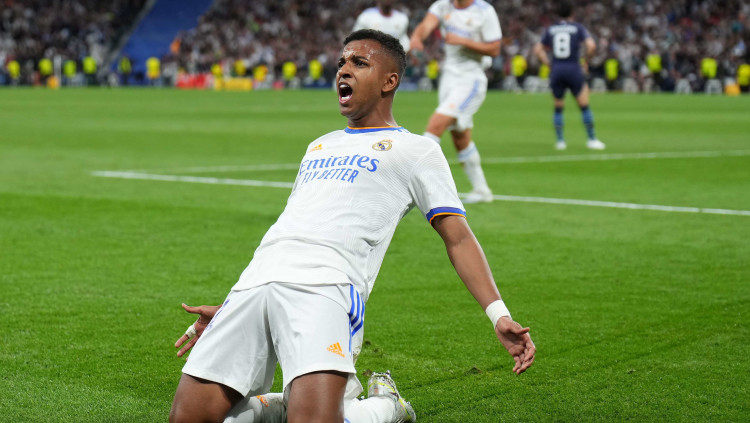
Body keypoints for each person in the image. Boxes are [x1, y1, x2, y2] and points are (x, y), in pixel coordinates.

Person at [169, 29, 535, 423]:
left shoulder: (416, 150)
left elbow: (458, 238)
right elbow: (295, 225)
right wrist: (234, 305)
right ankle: (290, 405)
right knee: (187, 419)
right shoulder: (319, 145)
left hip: (327, 287)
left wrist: (498, 314)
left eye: (359, 63)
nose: (344, 70)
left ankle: (385, 406)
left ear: (389, 81)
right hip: (255, 284)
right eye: (342, 62)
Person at [174, 303, 414, 423]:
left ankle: (386, 404)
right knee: (206, 416)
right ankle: (288, 407)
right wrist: (227, 313)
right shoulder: (282, 232)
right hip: (277, 290)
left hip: (326, 297)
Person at [409, 0, 502, 205]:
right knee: (460, 136)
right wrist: (416, 39)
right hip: (449, 78)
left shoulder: (484, 12)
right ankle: (482, 189)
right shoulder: (443, 6)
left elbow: (495, 48)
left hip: (471, 79)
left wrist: (463, 41)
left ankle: (414, 184)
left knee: (436, 125)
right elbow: (426, 25)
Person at [533, 1, 605, 151]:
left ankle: (560, 141)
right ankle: (591, 139)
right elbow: (591, 46)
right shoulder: (578, 28)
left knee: (558, 106)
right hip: (573, 68)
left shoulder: (551, 29)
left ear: (558, 13)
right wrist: (586, 61)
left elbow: (537, 50)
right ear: (572, 13)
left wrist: (548, 63)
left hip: (557, 69)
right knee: (584, 105)